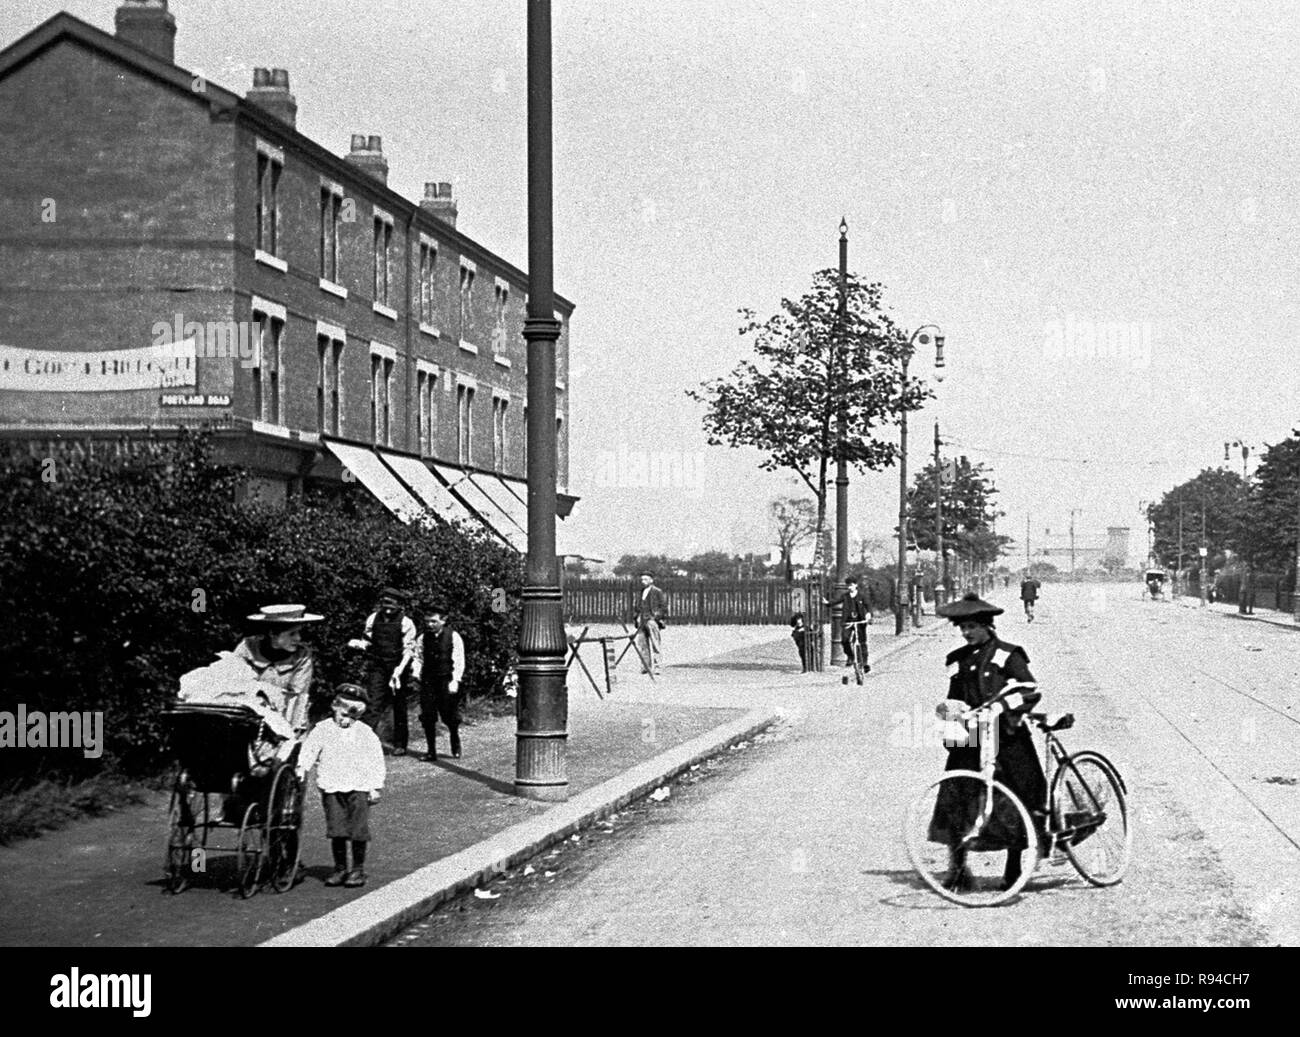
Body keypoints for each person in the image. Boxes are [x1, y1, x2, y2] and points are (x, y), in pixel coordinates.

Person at [929, 593, 1046, 892]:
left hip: (1007, 739)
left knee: (1016, 799)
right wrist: (949, 716)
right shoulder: (959, 661)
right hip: (969, 740)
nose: (966, 633)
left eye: (971, 627)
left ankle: (1014, 868)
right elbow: (953, 699)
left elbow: (1030, 690)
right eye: (962, 628)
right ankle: (957, 870)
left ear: (987, 626)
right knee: (958, 800)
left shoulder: (1008, 655)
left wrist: (1000, 707)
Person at [296, 684, 385, 888]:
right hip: (332, 785)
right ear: (335, 707)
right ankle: (340, 868)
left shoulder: (365, 733)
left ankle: (357, 869)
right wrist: (303, 767)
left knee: (357, 829)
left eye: (353, 717)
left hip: (359, 786)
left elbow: (376, 760)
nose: (346, 721)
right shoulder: (323, 729)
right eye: (344, 715)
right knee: (336, 829)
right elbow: (310, 750)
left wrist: (375, 786)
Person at [357, 588, 418, 756]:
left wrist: (399, 671)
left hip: (398, 667)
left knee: (398, 705)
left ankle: (400, 744)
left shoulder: (406, 623)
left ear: (399, 605)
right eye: (385, 604)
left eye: (392, 604)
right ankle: (364, 742)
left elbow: (409, 650)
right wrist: (360, 645)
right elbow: (367, 640)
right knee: (373, 702)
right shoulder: (372, 619)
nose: (388, 608)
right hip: (378, 665)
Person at [410, 603, 467, 762]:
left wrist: (455, 680)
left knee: (449, 715)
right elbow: (418, 657)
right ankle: (431, 751)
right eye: (427, 621)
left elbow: (459, 660)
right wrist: (416, 671)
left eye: (434, 621)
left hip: (446, 679)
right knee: (428, 716)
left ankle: (454, 738)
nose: (430, 625)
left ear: (443, 621)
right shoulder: (422, 637)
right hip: (428, 680)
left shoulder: (453, 636)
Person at [633, 571, 668, 677]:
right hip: (641, 621)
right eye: (642, 579)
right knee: (642, 645)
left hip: (652, 621)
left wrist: (655, 617)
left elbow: (663, 607)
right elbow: (637, 606)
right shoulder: (641, 592)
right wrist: (636, 617)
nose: (643, 581)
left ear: (651, 580)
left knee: (655, 644)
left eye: (646, 579)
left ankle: (657, 667)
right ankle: (645, 666)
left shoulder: (657, 591)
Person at [839, 576, 873, 677]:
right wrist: (828, 603)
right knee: (844, 639)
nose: (850, 587)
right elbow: (836, 601)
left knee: (862, 642)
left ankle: (865, 663)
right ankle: (850, 656)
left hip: (860, 621)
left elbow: (868, 606)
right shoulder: (845, 596)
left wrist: (869, 614)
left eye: (851, 585)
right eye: (848, 586)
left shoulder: (862, 596)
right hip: (848, 622)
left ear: (856, 585)